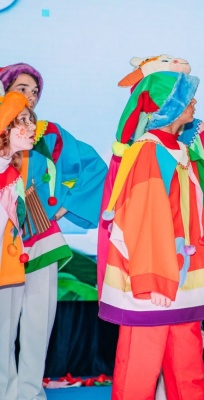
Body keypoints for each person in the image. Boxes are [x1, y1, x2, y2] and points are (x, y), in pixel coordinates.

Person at [101, 54, 204, 400]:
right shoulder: (148, 152)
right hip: (153, 285)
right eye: (186, 97)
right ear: (168, 105)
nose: (194, 103)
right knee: (140, 369)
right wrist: (154, 278)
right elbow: (144, 221)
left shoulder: (180, 150)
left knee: (187, 371)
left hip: (183, 282)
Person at [0, 63, 107, 400]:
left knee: (38, 321)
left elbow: (95, 168)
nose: (30, 96)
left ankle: (30, 393)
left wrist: (64, 205)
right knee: (2, 326)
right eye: (22, 89)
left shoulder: (48, 134)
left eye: (34, 91)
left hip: (42, 237)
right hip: (5, 241)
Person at [0, 91, 36, 400]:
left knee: (5, 341)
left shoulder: (14, 175)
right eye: (23, 121)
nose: (32, 126)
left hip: (9, 269)